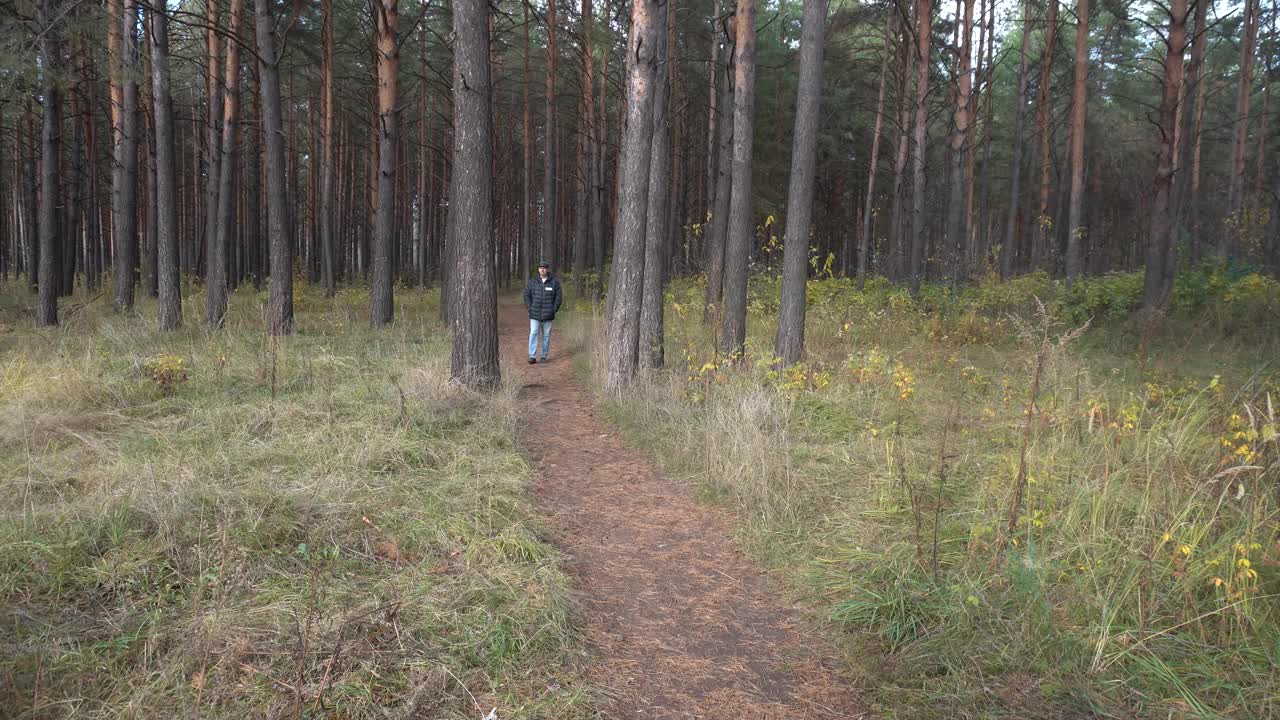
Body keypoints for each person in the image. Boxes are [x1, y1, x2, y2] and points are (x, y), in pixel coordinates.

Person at [523, 261, 562, 364]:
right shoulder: (532, 282)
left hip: (548, 314)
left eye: (544, 268)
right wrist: (530, 307)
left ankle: (544, 356)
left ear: (547, 269)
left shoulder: (554, 283)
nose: (542, 270)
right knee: (534, 332)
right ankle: (532, 356)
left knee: (546, 335)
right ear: (538, 269)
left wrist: (553, 310)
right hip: (534, 313)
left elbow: (558, 298)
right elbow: (526, 295)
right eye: (540, 268)